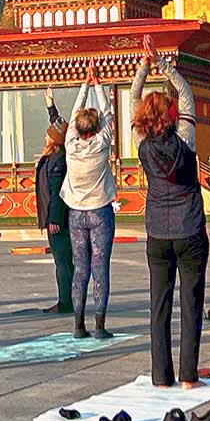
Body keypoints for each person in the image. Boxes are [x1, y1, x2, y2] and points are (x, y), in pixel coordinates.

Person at [134, 37, 207, 388]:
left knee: (158, 306)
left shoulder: (142, 147)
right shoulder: (186, 141)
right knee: (191, 303)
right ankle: (189, 376)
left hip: (158, 233)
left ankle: (161, 377)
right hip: (190, 228)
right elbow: (187, 92)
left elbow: (134, 98)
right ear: (173, 115)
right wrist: (162, 63)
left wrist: (144, 66)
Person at [60, 60, 117, 340]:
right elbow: (109, 113)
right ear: (96, 128)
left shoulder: (70, 144)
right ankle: (100, 325)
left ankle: (78, 325)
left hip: (75, 211)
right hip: (100, 210)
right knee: (100, 267)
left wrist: (84, 84)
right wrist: (97, 83)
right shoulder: (103, 142)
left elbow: (72, 117)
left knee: (79, 267)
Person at [36, 88, 74, 316]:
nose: (46, 135)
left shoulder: (58, 159)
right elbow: (62, 127)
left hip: (58, 218)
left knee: (62, 261)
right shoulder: (61, 153)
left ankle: (65, 301)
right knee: (65, 260)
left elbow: (56, 191)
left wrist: (53, 219)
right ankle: (67, 299)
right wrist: (51, 106)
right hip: (58, 215)